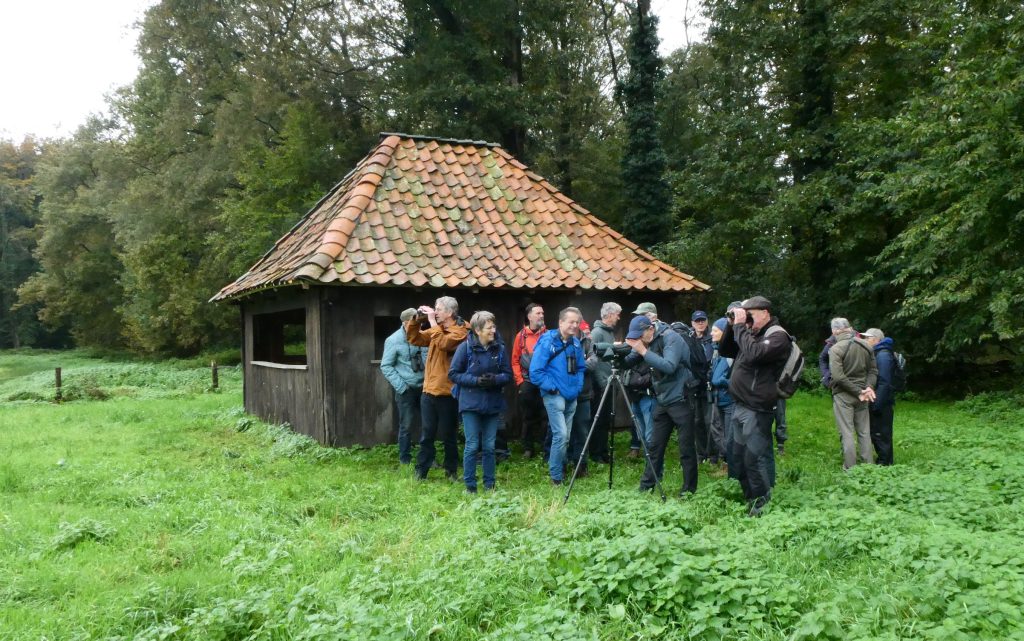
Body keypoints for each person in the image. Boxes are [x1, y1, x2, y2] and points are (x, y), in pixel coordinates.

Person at [719, 296, 792, 517]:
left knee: (754, 458)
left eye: (750, 313)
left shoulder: (778, 336)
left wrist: (742, 326)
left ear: (765, 312)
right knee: (739, 457)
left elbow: (755, 353)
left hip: (757, 407)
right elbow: (726, 350)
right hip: (740, 405)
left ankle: (761, 504)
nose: (747, 317)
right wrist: (733, 326)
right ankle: (750, 498)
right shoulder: (752, 334)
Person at [624, 314, 698, 497]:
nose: (640, 339)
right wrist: (615, 353)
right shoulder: (646, 340)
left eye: (641, 335)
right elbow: (628, 360)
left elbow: (669, 366)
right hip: (663, 400)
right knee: (654, 447)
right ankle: (646, 486)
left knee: (686, 448)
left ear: (650, 328)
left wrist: (642, 351)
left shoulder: (671, 337)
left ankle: (688, 490)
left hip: (681, 398)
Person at [448, 311, 513, 493]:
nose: (493, 330)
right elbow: (453, 374)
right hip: (470, 402)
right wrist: (475, 381)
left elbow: (508, 375)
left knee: (490, 446)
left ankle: (489, 485)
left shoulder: (499, 348)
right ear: (478, 330)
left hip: (492, 403)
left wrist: (495, 379)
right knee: (472, 445)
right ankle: (470, 486)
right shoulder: (465, 348)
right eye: (489, 327)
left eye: (494, 326)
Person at [406, 296, 469, 481]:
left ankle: (451, 472)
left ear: (450, 312)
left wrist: (432, 322)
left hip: (448, 392)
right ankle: (421, 472)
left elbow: (444, 344)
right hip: (429, 391)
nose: (436, 312)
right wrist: (417, 320)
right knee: (427, 435)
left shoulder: (462, 330)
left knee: (449, 435)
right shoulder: (438, 329)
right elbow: (414, 338)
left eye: (438, 309)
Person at [529, 307, 587, 485]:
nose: (574, 325)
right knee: (560, 435)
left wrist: (577, 387)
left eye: (577, 322)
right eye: (571, 322)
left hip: (571, 396)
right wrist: (552, 388)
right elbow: (535, 371)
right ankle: (556, 477)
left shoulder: (576, 343)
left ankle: (560, 467)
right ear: (561, 322)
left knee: (566, 437)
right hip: (554, 395)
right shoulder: (547, 341)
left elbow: (580, 368)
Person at [828, 317, 878, 470]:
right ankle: (868, 466)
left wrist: (859, 391)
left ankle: (850, 468)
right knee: (864, 431)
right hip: (863, 394)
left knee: (847, 431)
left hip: (844, 395)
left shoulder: (836, 349)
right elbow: (873, 370)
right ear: (849, 328)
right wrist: (868, 388)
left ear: (835, 331)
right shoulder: (866, 345)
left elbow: (838, 376)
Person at [380, 308, 426, 464]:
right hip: (405, 389)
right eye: (415, 323)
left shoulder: (424, 336)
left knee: (428, 424)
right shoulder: (393, 340)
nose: (418, 326)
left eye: (419, 323)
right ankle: (405, 460)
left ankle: (426, 458)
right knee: (406, 426)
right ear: (406, 323)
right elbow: (386, 366)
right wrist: (401, 387)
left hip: (425, 388)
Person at [511, 303, 547, 459]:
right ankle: (528, 448)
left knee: (546, 415)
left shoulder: (548, 335)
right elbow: (515, 361)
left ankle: (546, 446)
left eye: (542, 313)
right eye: (538, 313)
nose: (541, 315)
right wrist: (520, 381)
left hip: (545, 381)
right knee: (528, 416)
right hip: (527, 381)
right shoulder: (521, 336)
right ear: (529, 316)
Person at [588, 302, 621, 463]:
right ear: (608, 315)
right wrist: (602, 382)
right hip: (601, 384)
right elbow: (594, 361)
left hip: (610, 382)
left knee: (606, 419)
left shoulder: (609, 332)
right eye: (617, 314)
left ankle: (603, 451)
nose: (619, 317)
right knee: (598, 419)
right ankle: (596, 453)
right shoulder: (597, 333)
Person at [567, 320, 597, 478]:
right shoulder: (562, 341)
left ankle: (581, 465)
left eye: (576, 322)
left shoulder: (587, 341)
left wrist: (577, 365)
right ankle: (564, 464)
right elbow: (561, 366)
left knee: (582, 431)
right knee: (565, 432)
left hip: (584, 394)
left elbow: (593, 363)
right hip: (565, 393)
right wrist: (582, 364)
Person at [862, 328, 895, 465]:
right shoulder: (879, 353)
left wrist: (876, 403)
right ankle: (884, 461)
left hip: (882, 402)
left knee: (881, 433)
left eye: (867, 338)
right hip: (879, 399)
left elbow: (884, 382)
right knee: (877, 432)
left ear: (876, 340)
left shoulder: (883, 356)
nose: (864, 341)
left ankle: (885, 463)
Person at [709, 316, 733, 476]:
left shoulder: (730, 352)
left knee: (730, 434)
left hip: (729, 400)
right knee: (716, 429)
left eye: (715, 330)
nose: (711, 333)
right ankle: (726, 462)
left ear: (724, 332)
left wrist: (720, 381)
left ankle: (731, 467)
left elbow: (730, 378)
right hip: (718, 399)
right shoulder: (717, 350)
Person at [690, 310, 715, 463]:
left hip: (708, 385)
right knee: (697, 421)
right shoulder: (688, 339)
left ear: (706, 322)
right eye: (697, 320)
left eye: (702, 320)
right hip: (694, 386)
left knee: (709, 421)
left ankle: (713, 454)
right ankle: (700, 454)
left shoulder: (713, 339)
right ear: (692, 323)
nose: (700, 323)